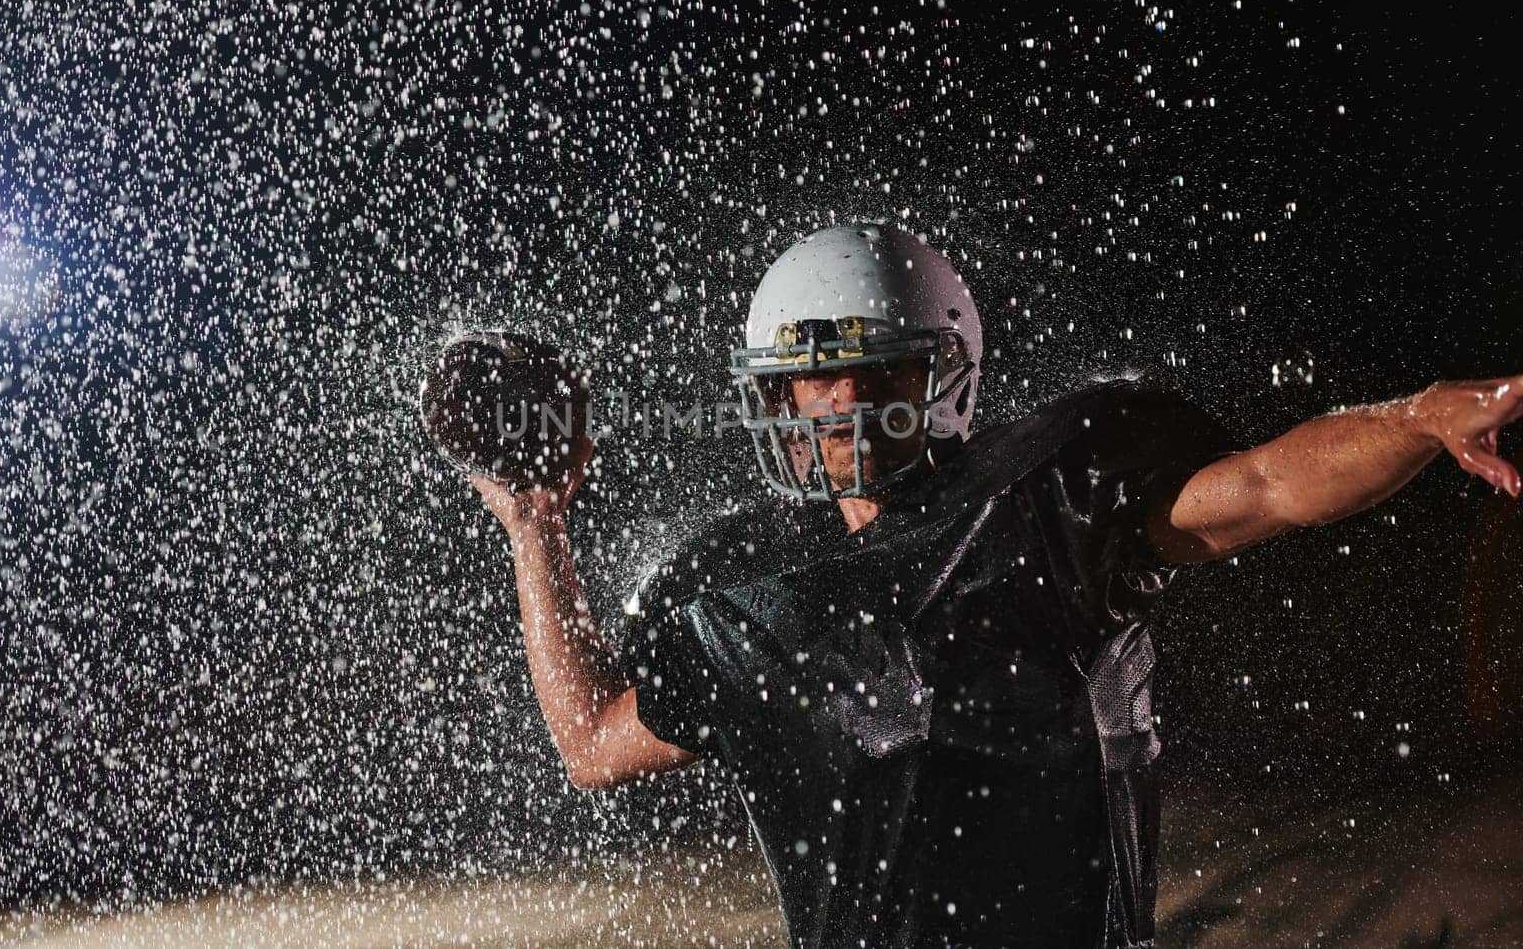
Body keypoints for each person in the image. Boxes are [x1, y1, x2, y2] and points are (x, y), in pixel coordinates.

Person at [466, 222, 1523, 948]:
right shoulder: (754, 592)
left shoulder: (1041, 509)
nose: (833, 402)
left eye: (867, 368)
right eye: (807, 378)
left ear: (940, 372)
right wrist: (535, 528)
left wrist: (1412, 417)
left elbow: (1266, 485)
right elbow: (593, 739)